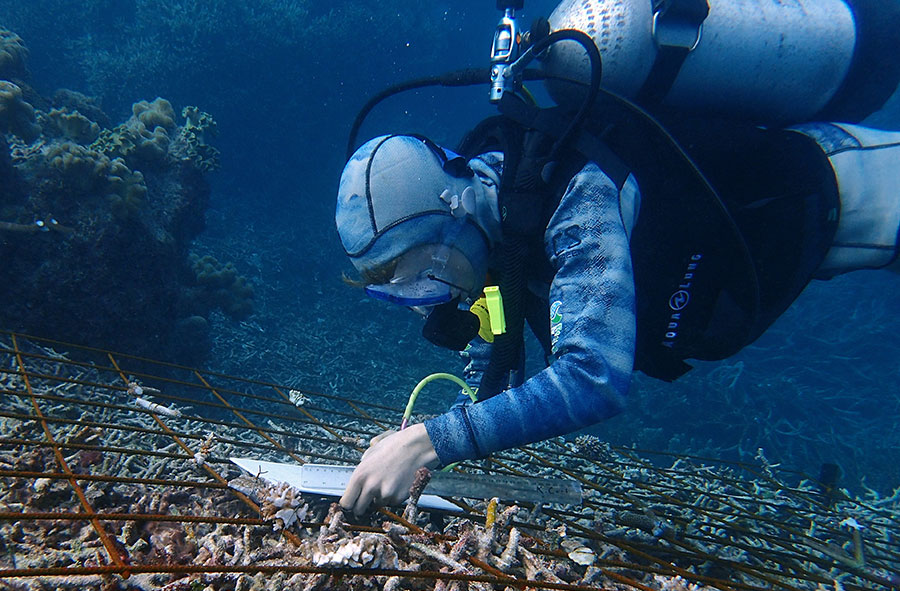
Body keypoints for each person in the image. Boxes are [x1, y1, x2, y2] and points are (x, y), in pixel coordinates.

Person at [333, 0, 900, 517]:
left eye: (418, 275)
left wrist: (427, 441)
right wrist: (426, 440)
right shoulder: (487, 236)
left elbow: (594, 377)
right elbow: (493, 337)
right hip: (770, 254)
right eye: (396, 291)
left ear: (454, 217)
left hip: (834, 185)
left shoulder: (576, 193)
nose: (422, 301)